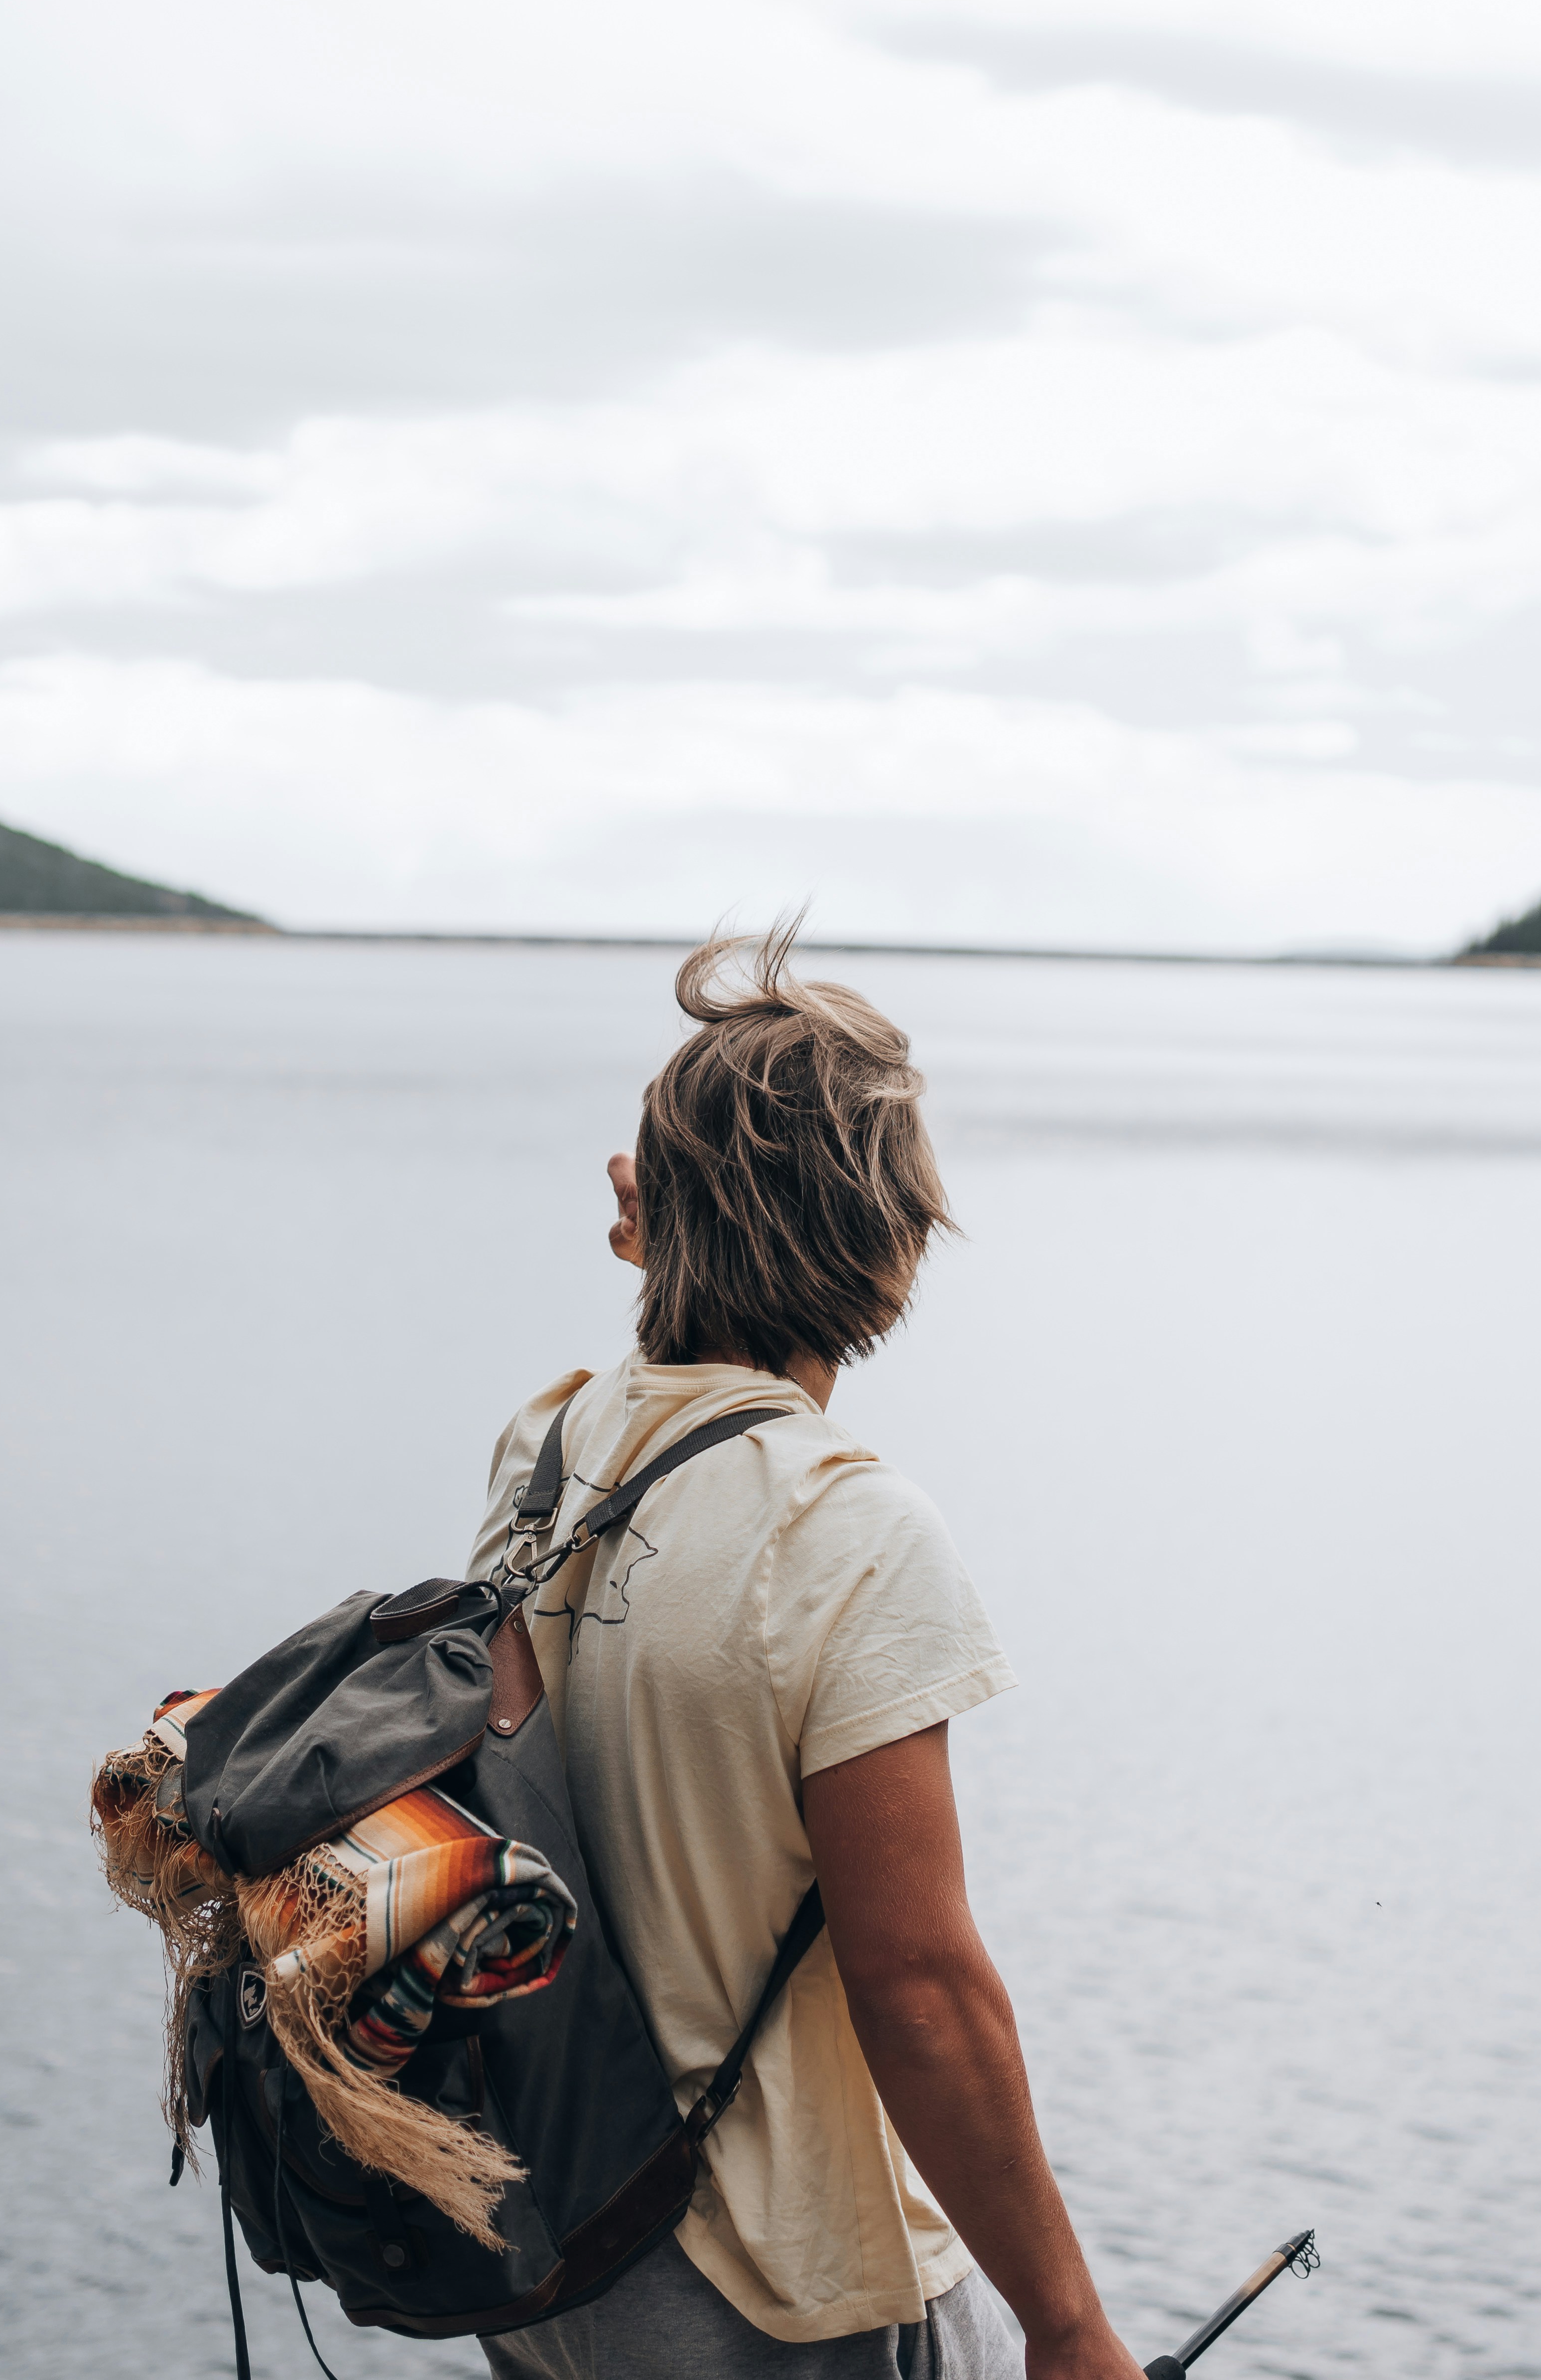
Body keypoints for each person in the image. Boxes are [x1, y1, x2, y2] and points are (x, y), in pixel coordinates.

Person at [470, 925, 1138, 2380]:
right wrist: (1069, 2326)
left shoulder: (551, 1451)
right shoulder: (847, 1533)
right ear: (888, 1243)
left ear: (645, 1215)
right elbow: (919, 1985)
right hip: (777, 2289)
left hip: (556, 2261)